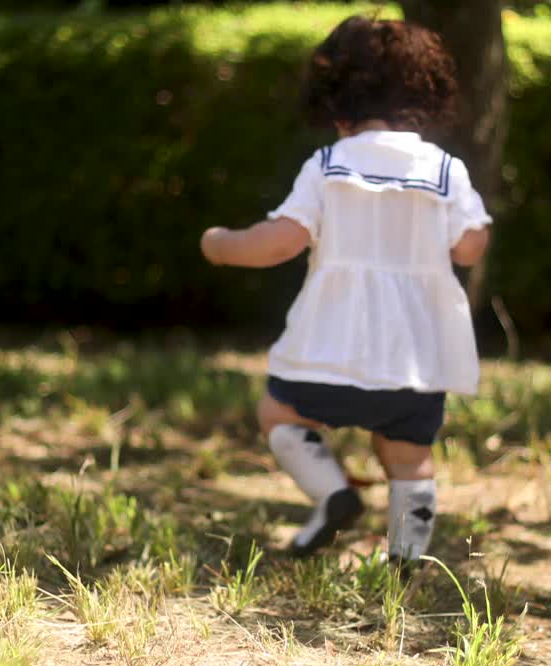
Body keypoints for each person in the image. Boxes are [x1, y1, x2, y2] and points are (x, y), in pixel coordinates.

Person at [199, 15, 492, 563]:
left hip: (330, 351)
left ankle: (333, 494)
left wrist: (222, 243)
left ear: (337, 103)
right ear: (425, 98)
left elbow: (279, 242)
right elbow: (469, 249)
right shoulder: (446, 171)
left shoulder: (330, 166)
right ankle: (405, 557)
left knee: (279, 415)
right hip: (415, 360)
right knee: (409, 459)